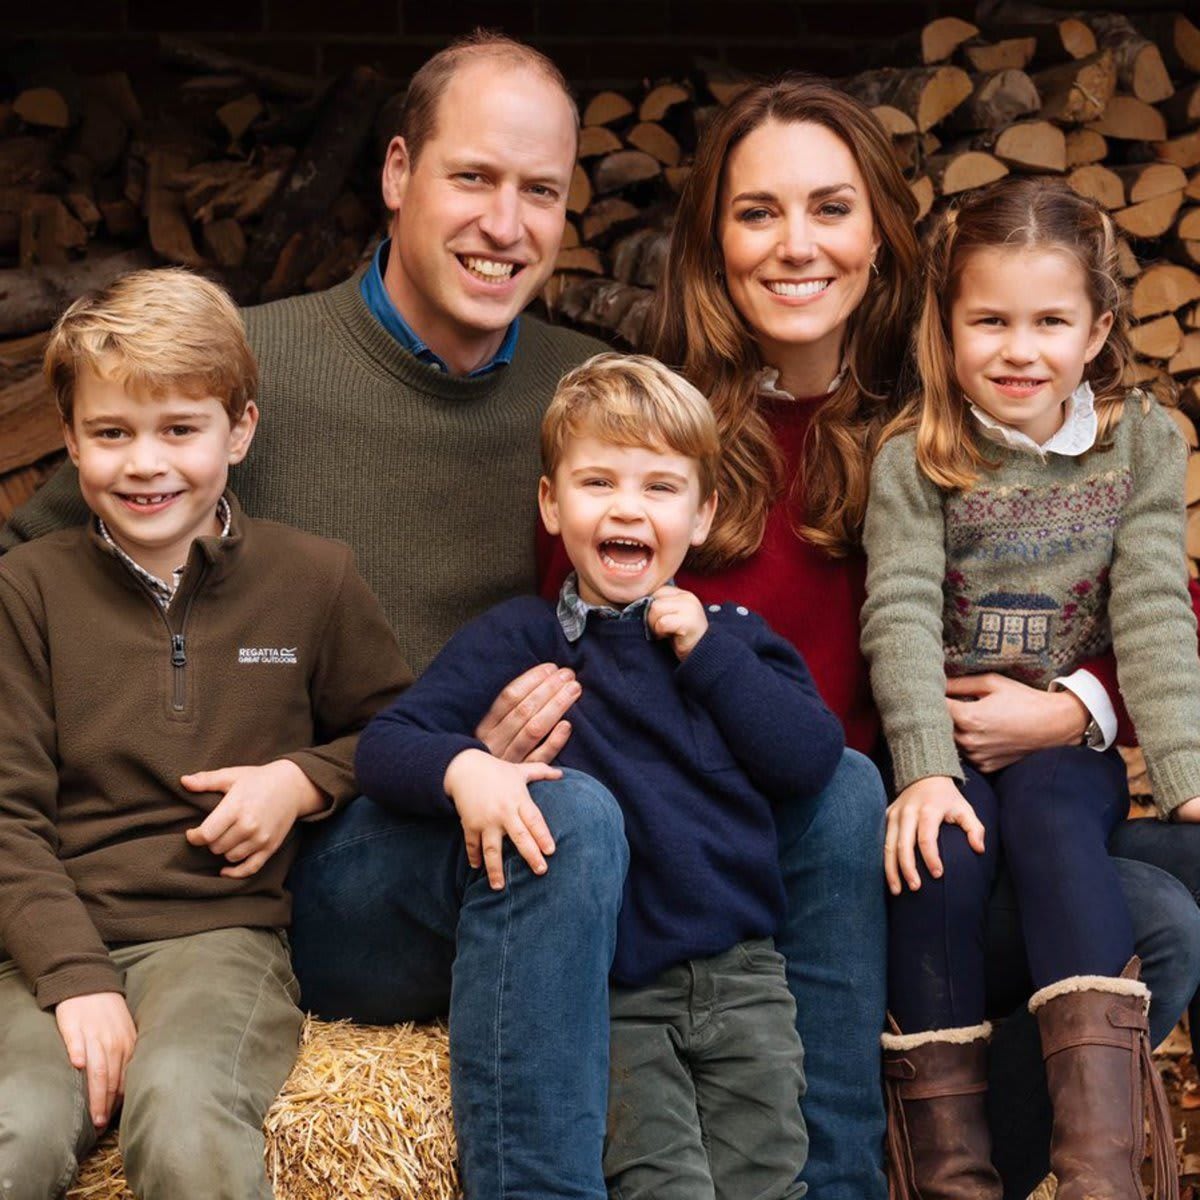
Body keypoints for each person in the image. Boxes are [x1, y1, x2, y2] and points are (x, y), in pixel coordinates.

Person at [540, 74, 1200, 1199]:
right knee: (1144, 914)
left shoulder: (963, 400)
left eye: (831, 208)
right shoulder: (653, 436)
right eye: (758, 213)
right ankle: (917, 1170)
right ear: (712, 240)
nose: (797, 246)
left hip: (954, 818)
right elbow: (587, 634)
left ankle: (1067, 1174)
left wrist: (1073, 706)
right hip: (776, 854)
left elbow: (1156, 610)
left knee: (1168, 899)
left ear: (885, 237)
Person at [359, 353, 840, 1199]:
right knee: (663, 1185)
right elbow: (387, 745)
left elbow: (808, 761)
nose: (627, 507)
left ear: (702, 516)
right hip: (620, 991)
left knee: (769, 1178)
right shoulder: (520, 640)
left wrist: (706, 652)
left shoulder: (735, 640)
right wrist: (467, 766)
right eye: (597, 483)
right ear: (552, 505)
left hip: (746, 981)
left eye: (660, 487)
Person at [0, 268, 408, 1200]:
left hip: (221, 939)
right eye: (111, 433)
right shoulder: (26, 591)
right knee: (16, 1128)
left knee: (184, 1113)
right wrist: (75, 978)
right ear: (69, 441)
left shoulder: (316, 579)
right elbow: (5, 816)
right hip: (44, 942)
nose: (146, 464)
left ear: (241, 430)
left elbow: (394, 733)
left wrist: (300, 780)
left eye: (180, 429)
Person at [862, 176, 1195, 1199]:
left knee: (1058, 828)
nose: (1020, 349)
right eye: (990, 320)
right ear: (947, 326)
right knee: (942, 861)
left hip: (1063, 747)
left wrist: (1185, 775)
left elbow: (1150, 608)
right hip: (944, 743)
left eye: (1050, 321)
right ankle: (949, 1176)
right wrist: (922, 771)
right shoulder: (917, 455)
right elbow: (902, 610)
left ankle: (1099, 1170)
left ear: (1096, 330)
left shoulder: (1141, 442)